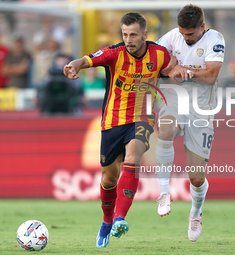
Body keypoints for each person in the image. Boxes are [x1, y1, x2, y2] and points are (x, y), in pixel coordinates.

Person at [63, 12, 170, 248]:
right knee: (108, 178)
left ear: (145, 34)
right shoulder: (115, 53)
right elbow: (86, 60)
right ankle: (107, 220)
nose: (128, 39)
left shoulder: (160, 54)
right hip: (112, 121)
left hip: (142, 118)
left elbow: (173, 68)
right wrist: (74, 65)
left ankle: (121, 218)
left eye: (133, 35)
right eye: (125, 34)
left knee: (133, 158)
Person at [155, 4, 225, 242]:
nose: (185, 38)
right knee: (164, 131)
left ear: (202, 28)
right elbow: (154, 64)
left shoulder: (215, 39)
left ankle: (195, 213)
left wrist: (186, 69)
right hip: (175, 101)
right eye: (182, 33)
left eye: (190, 35)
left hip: (201, 110)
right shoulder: (171, 37)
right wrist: (170, 68)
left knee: (196, 177)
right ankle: (164, 193)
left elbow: (212, 75)